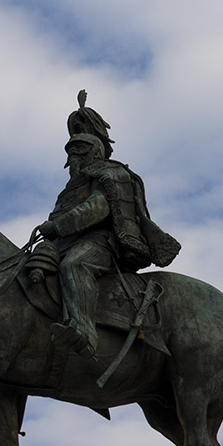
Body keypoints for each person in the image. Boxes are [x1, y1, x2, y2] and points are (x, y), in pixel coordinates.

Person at [32, 93, 180, 358]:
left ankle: (83, 331)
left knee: (75, 266)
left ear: (92, 151)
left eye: (77, 151)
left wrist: (59, 226)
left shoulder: (109, 172)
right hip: (63, 242)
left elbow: (98, 208)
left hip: (100, 243)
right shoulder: (71, 187)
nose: (72, 158)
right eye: (70, 152)